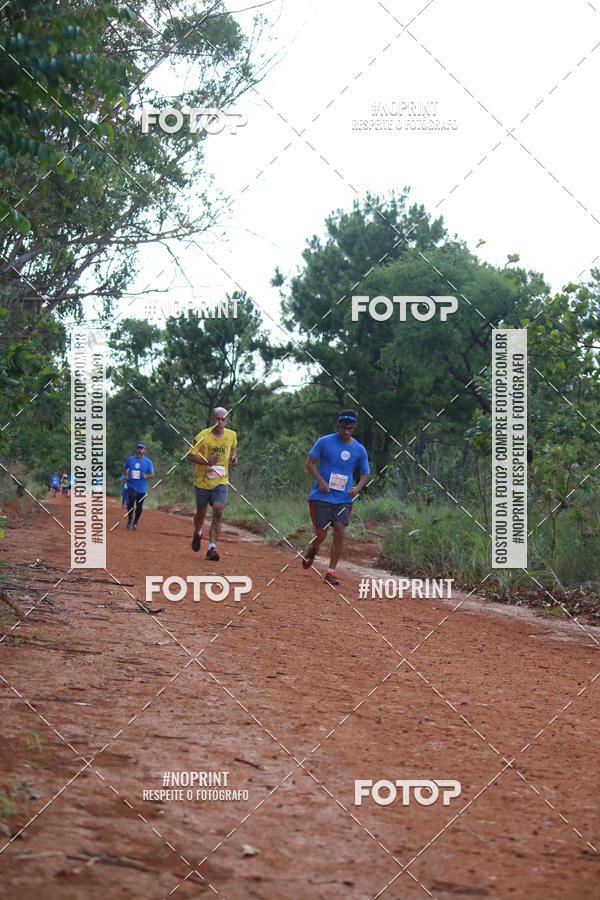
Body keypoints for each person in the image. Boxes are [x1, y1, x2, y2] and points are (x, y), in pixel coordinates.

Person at [302, 409, 370, 585]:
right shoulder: (324, 442)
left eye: (350, 428)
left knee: (339, 531)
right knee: (321, 535)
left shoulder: (359, 449)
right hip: (322, 496)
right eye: (343, 427)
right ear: (338, 425)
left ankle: (330, 573)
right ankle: (314, 548)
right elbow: (309, 463)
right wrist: (321, 481)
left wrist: (357, 488)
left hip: (344, 499)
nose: (346, 431)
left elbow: (365, 474)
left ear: (354, 427)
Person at [187, 407, 238, 561]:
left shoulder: (231, 435)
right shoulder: (203, 436)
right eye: (217, 419)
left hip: (221, 481)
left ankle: (212, 547)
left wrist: (233, 458)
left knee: (218, 509)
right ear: (212, 419)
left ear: (226, 421)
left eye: (223, 419)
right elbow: (190, 456)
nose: (220, 422)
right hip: (202, 481)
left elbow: (233, 448)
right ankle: (198, 533)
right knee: (200, 515)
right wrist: (206, 462)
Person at [123, 443, 155, 531]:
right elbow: (125, 467)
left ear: (144, 451)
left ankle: (135, 522)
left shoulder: (148, 462)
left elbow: (152, 474)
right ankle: (129, 520)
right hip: (131, 485)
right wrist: (125, 475)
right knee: (131, 500)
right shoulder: (130, 459)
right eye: (138, 448)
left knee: (139, 505)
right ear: (136, 450)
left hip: (142, 488)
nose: (140, 450)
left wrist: (146, 476)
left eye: (141, 449)